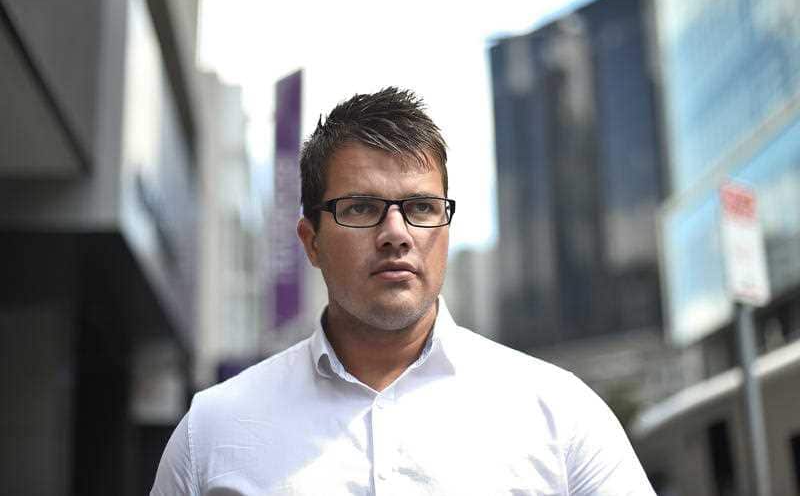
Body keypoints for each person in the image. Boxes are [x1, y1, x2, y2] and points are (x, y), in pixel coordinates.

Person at [151, 87, 655, 495]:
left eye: (420, 207)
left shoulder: (561, 412)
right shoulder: (213, 431)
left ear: (446, 229)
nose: (396, 232)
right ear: (311, 242)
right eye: (361, 207)